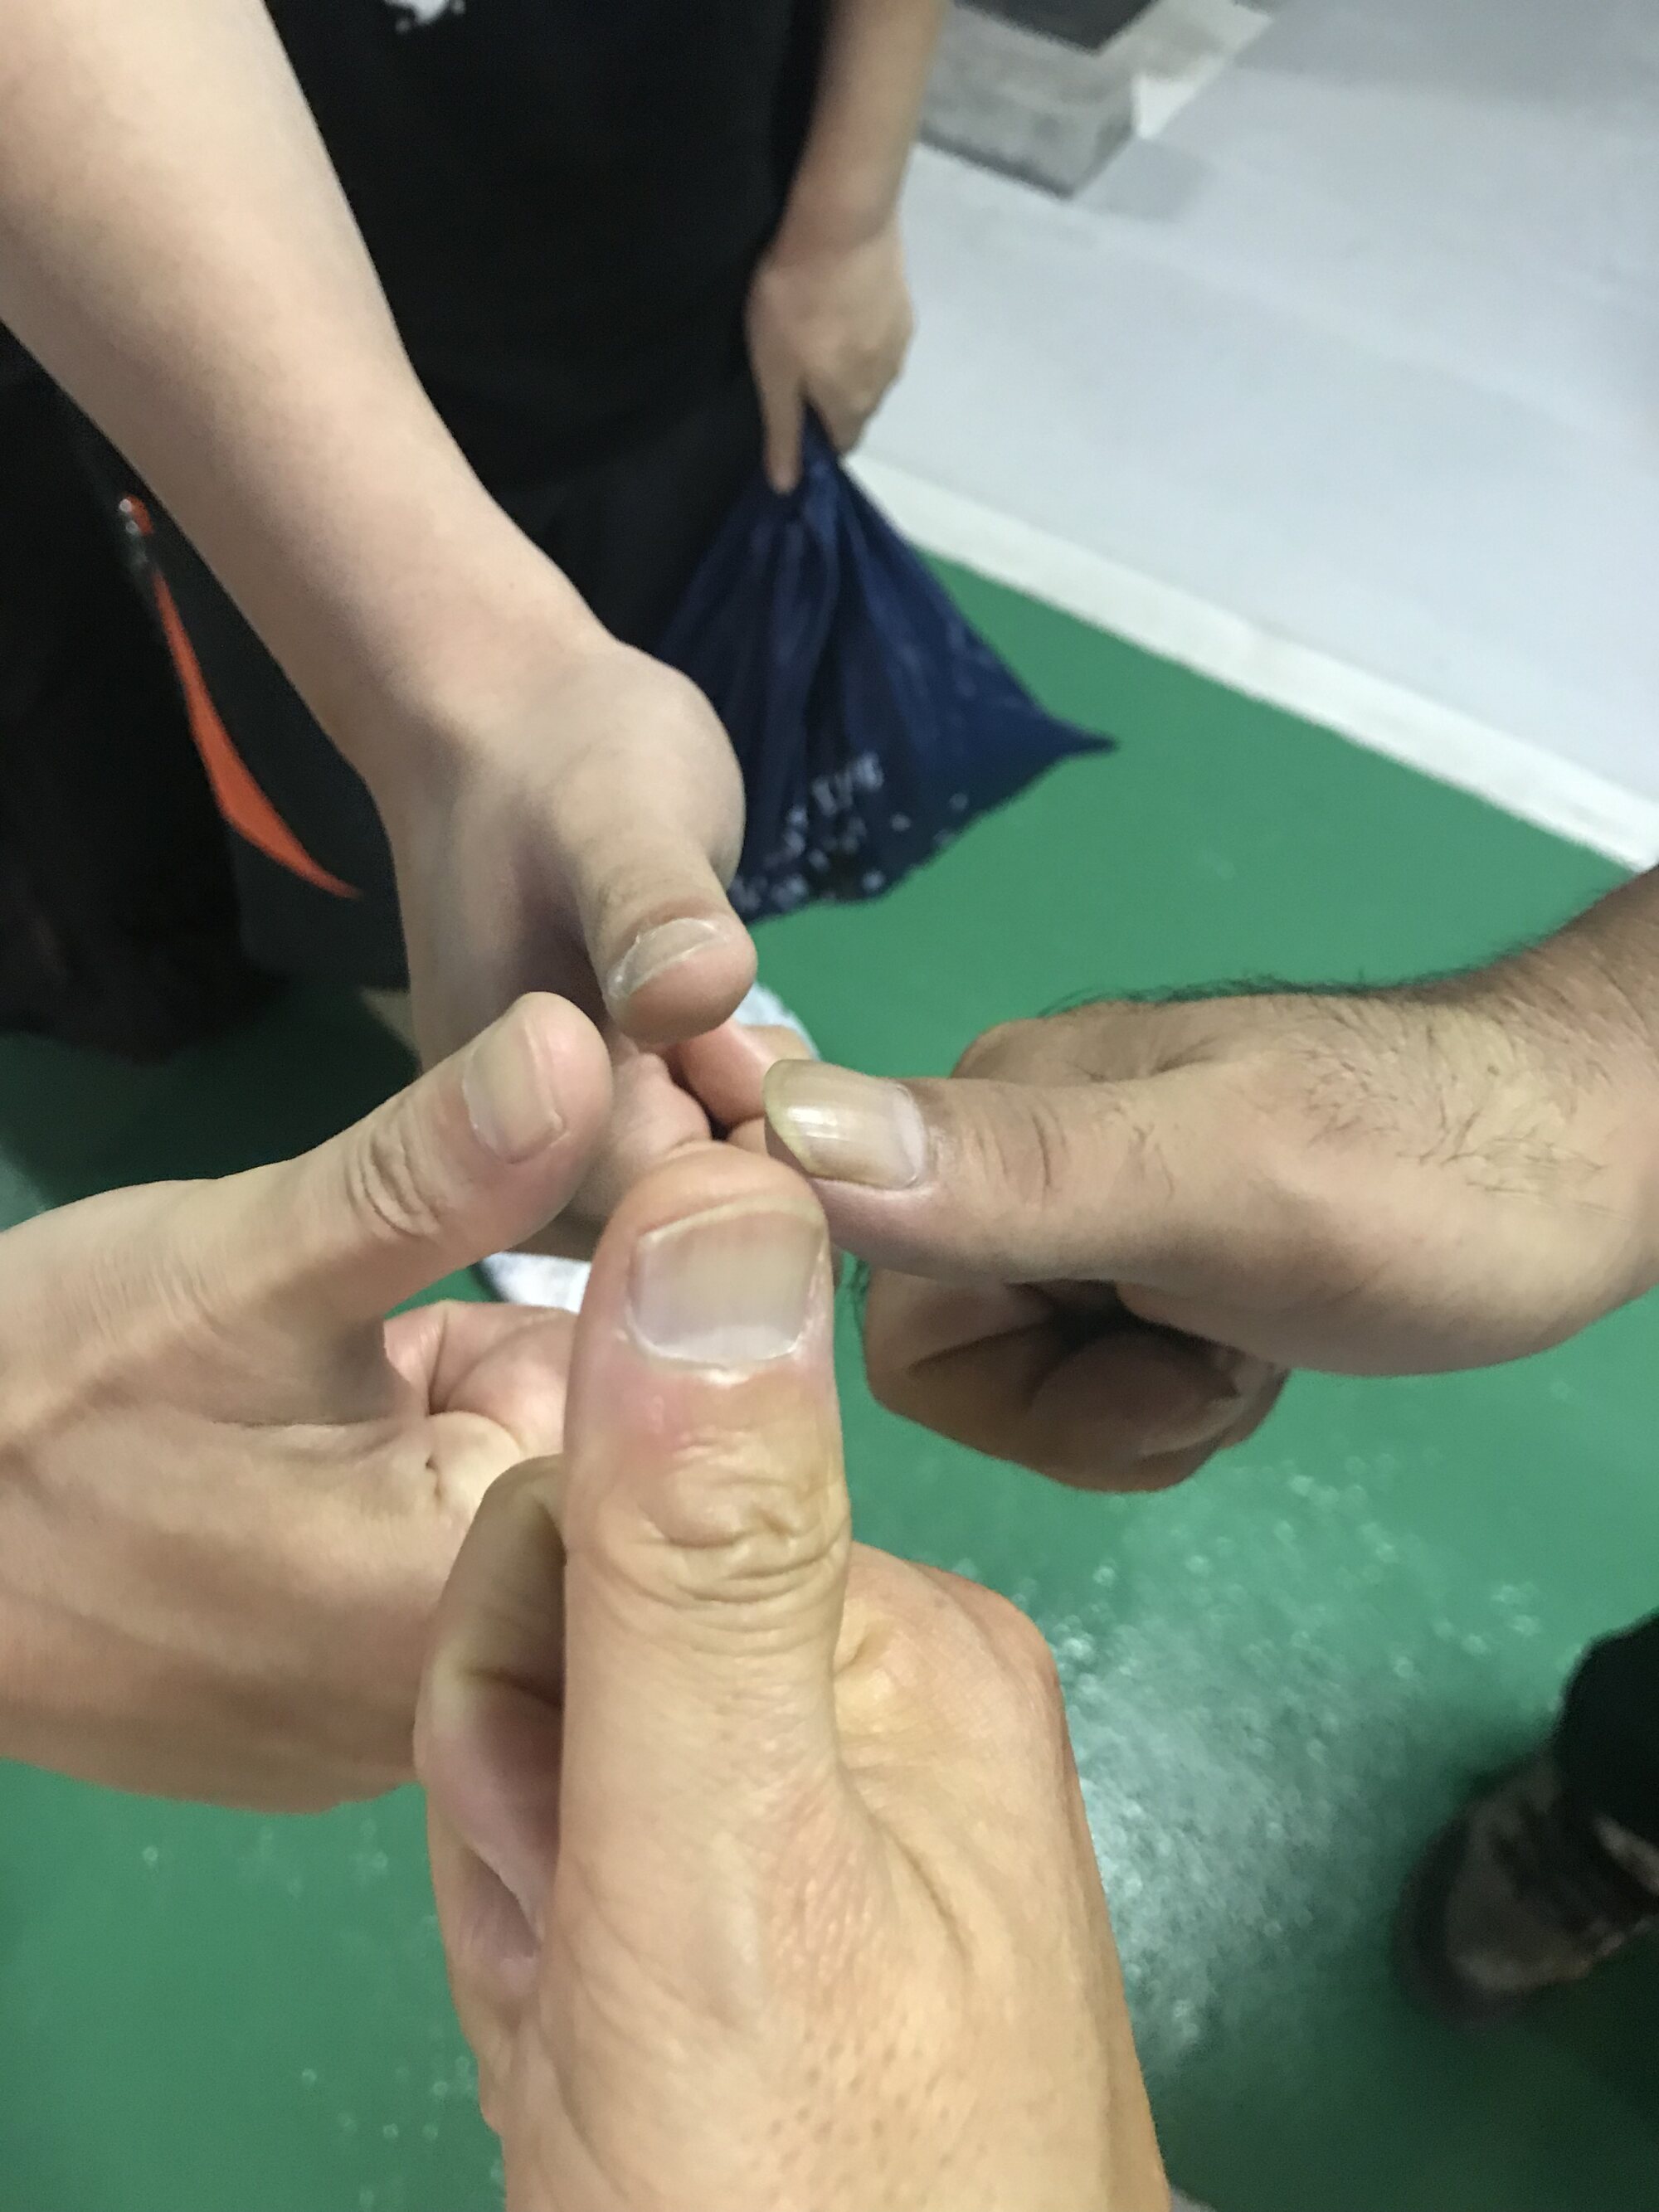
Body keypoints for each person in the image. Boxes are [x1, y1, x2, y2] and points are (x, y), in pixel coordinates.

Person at [0, 0, 941, 1247]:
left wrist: (847, 215)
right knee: (395, 836)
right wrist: (477, 709)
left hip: (690, 285)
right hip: (260, 367)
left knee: (647, 754)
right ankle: (529, 1049)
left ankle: (619, 1004)